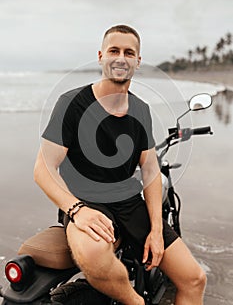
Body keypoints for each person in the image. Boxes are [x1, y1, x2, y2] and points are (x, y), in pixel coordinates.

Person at [34, 24, 206, 305]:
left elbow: (150, 171)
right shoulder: (72, 104)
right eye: (114, 50)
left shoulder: (141, 110)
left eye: (129, 52)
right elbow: (43, 169)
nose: (121, 58)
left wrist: (156, 230)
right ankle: (135, 301)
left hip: (129, 203)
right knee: (92, 254)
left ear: (138, 61)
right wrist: (77, 210)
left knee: (194, 279)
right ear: (101, 56)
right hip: (86, 203)